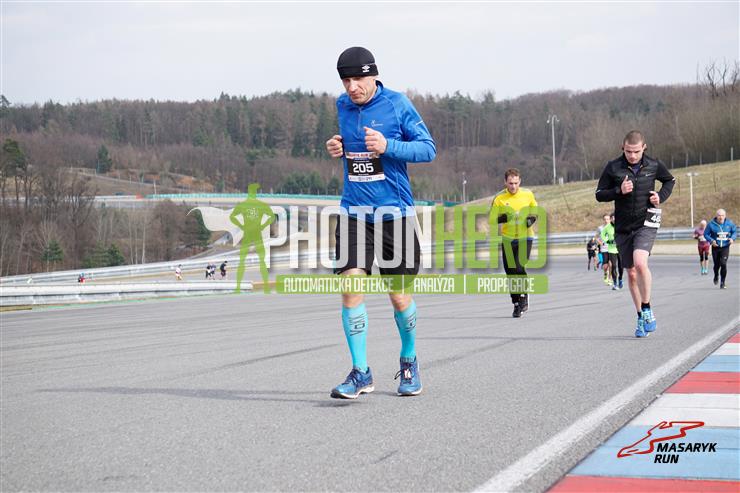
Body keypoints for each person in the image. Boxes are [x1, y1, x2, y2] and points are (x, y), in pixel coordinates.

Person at [325, 46, 436, 399]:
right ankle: (361, 372)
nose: (352, 87)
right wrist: (338, 147)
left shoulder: (397, 104)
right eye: (345, 81)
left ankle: (409, 360)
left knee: (399, 297)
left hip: (395, 215)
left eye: (357, 80)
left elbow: (428, 149)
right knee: (350, 286)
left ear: (373, 75)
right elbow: (354, 148)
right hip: (354, 212)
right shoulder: (343, 106)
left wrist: (389, 146)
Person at [596, 130, 675, 337]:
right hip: (623, 227)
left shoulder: (653, 165)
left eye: (636, 152)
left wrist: (660, 196)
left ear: (644, 148)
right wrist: (618, 191)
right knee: (631, 273)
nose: (632, 155)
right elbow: (599, 194)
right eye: (629, 151)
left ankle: (647, 308)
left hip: (645, 223)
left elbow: (670, 181)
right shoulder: (613, 167)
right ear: (623, 148)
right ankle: (640, 316)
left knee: (640, 263)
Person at [491, 168, 538, 318]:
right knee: (510, 271)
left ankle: (523, 297)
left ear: (520, 181)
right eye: (510, 183)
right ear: (505, 182)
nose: (513, 186)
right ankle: (516, 303)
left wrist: (531, 219)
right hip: (508, 239)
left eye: (516, 183)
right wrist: (504, 218)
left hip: (525, 237)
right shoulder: (499, 198)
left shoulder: (527, 194)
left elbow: (535, 210)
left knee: (518, 266)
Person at [704, 209, 736, 289]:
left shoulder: (729, 223)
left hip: (725, 247)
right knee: (716, 265)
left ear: (725, 216)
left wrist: (732, 238)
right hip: (716, 247)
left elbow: (734, 232)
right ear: (716, 216)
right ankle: (716, 275)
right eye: (719, 215)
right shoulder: (711, 224)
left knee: (723, 264)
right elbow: (706, 234)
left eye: (722, 215)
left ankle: (722, 282)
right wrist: (711, 241)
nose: (721, 217)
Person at [601, 213, 623, 290]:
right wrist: (607, 241)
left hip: (620, 248)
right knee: (613, 266)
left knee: (621, 266)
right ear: (611, 219)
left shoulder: (621, 225)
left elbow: (626, 234)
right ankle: (615, 283)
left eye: (615, 218)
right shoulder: (607, 227)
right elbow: (602, 235)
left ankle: (620, 279)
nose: (613, 219)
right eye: (612, 218)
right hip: (611, 249)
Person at [597, 214, 611, 284]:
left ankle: (610, 278)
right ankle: (605, 274)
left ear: (610, 219)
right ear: (603, 220)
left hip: (612, 248)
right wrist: (600, 243)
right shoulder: (600, 228)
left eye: (607, 219)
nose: (606, 220)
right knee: (605, 265)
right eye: (605, 219)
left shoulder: (613, 227)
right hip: (604, 248)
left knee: (611, 264)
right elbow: (597, 237)